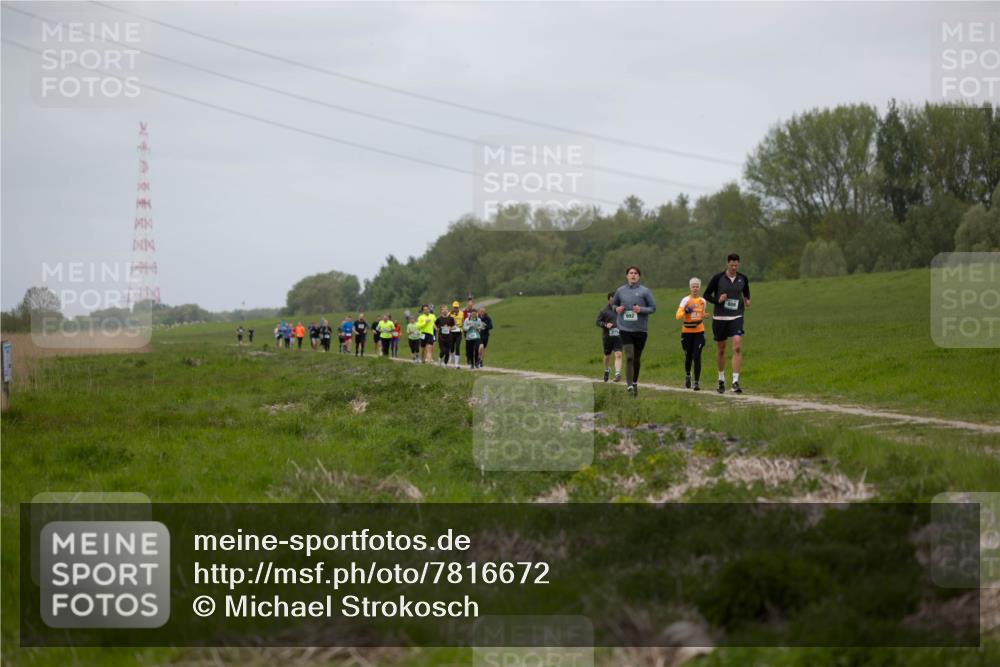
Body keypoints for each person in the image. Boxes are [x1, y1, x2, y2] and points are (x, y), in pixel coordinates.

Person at [703, 253, 751, 394]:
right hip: (720, 318)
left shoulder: (743, 278)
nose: (734, 267)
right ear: (727, 264)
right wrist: (718, 300)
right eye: (731, 265)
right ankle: (721, 379)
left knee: (737, 346)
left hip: (737, 316)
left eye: (736, 265)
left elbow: (746, 292)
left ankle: (735, 382)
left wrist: (747, 300)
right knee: (721, 349)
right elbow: (706, 295)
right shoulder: (718, 278)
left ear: (738, 264)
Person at [612, 265, 656, 397]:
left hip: (640, 330)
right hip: (624, 329)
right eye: (631, 273)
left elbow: (653, 308)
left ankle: (635, 382)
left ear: (639, 276)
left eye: (636, 273)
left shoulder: (645, 291)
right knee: (629, 356)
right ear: (627, 276)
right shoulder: (620, 291)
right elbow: (614, 304)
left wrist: (641, 309)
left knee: (636, 358)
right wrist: (616, 309)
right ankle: (630, 386)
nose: (633, 275)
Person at [675, 277, 708, 391]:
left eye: (697, 286)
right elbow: (677, 316)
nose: (695, 288)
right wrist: (686, 311)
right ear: (690, 287)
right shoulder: (685, 300)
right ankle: (688, 375)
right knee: (688, 356)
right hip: (687, 332)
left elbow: (702, 313)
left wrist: (704, 315)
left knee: (697, 356)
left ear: (699, 288)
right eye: (693, 286)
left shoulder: (702, 301)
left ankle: (696, 382)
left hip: (699, 331)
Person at [596, 292, 623, 382]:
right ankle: (607, 370)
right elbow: (597, 322)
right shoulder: (604, 310)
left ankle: (617, 374)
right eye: (612, 300)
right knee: (607, 356)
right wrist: (605, 324)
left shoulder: (620, 309)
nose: (613, 302)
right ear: (608, 300)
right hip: (608, 336)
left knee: (618, 354)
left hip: (619, 336)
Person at [449, 301, 464, 368]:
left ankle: (456, 363)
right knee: (452, 346)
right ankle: (452, 357)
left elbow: (463, 321)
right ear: (453, 307)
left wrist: (462, 327)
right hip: (452, 332)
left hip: (459, 331)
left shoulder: (461, 313)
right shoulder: (450, 313)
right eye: (454, 307)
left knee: (457, 346)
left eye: (457, 307)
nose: (455, 308)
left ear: (458, 307)